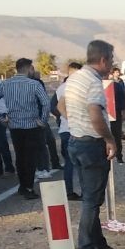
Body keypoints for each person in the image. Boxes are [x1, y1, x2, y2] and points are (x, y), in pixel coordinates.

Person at [63, 40, 123, 249]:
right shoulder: (95, 83)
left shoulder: (75, 78)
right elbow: (96, 115)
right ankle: (86, 248)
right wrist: (110, 139)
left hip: (76, 141)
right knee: (91, 200)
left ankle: (98, 243)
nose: (112, 65)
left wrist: (77, 124)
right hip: (91, 145)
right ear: (104, 60)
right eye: (112, 60)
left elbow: (60, 106)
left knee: (91, 196)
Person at [0, 58, 50, 198]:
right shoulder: (34, 84)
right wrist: (42, 120)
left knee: (20, 156)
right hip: (31, 125)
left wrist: (1, 118)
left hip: (14, 126)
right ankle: (29, 187)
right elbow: (46, 103)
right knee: (30, 158)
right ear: (29, 68)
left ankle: (22, 185)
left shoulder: (6, 84)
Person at [55, 62, 82, 200]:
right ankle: (84, 192)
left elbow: (54, 107)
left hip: (64, 129)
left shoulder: (61, 88)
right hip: (75, 130)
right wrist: (72, 120)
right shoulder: (77, 88)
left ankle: (69, 191)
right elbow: (59, 107)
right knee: (81, 163)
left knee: (69, 163)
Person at [30, 68, 60, 178]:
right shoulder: (36, 83)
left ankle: (48, 166)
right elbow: (44, 101)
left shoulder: (37, 83)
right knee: (42, 144)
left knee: (46, 142)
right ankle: (44, 167)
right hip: (37, 117)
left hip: (37, 117)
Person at [107, 67, 125, 161]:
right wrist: (124, 112)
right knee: (116, 136)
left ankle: (112, 156)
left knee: (111, 136)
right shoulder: (117, 85)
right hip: (115, 113)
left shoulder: (98, 85)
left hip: (109, 114)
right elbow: (123, 100)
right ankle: (119, 156)